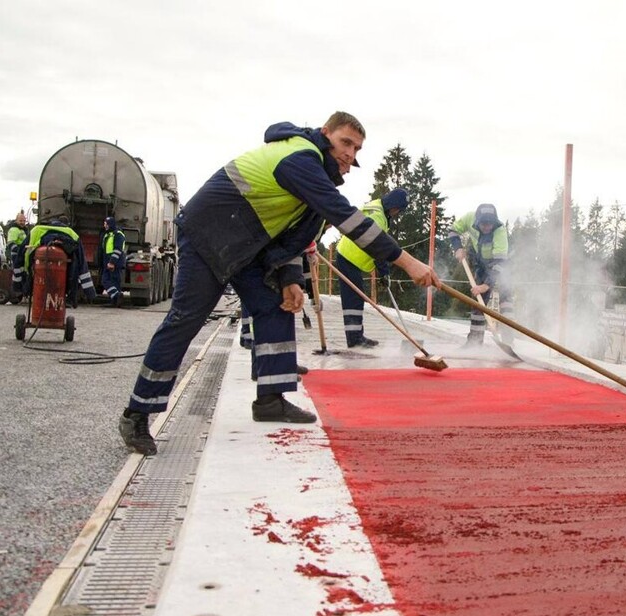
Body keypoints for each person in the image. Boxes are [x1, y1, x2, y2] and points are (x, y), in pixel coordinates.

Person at [118, 111, 440, 456]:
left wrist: (289, 278)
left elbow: (291, 235)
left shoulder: (317, 177)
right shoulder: (301, 158)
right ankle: (137, 412)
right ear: (325, 133)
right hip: (208, 234)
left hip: (247, 241)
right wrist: (406, 261)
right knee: (186, 319)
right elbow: (346, 218)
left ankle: (271, 399)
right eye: (346, 142)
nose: (350, 154)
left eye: (357, 149)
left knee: (277, 304)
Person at [335, 188, 408, 348]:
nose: (397, 213)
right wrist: (384, 273)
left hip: (350, 257)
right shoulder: (378, 217)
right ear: (392, 204)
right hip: (348, 257)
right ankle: (354, 340)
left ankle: (356, 336)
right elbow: (378, 248)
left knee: (355, 297)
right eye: (397, 209)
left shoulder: (378, 209)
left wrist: (384, 273)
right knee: (353, 298)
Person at [448, 203, 513, 346]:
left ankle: (508, 342)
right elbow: (453, 230)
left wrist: (486, 285)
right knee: (478, 302)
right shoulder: (469, 218)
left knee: (506, 300)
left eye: (490, 224)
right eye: (483, 224)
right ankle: (474, 343)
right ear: (477, 221)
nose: (487, 227)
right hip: (482, 263)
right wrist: (458, 248)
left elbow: (499, 265)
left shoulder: (500, 231)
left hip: (501, 264)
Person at [22, 216, 97, 304]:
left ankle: (30, 294)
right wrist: (89, 293)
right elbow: (82, 263)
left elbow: (21, 251)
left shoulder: (37, 230)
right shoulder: (72, 234)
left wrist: (21, 287)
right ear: (67, 225)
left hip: (38, 271)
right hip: (64, 276)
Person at [98, 217, 126, 306]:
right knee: (114, 282)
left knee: (105, 280)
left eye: (106, 224)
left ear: (110, 224)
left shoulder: (118, 235)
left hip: (114, 263)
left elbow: (117, 250)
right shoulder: (107, 234)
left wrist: (112, 262)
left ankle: (116, 295)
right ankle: (115, 301)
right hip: (108, 262)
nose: (104, 226)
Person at [6, 211, 29, 292]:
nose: (22, 222)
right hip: (17, 254)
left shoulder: (24, 230)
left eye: (24, 221)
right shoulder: (14, 230)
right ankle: (17, 289)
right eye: (20, 221)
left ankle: (22, 288)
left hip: (23, 253)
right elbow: (11, 243)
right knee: (18, 271)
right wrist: (19, 250)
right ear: (16, 221)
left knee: (23, 271)